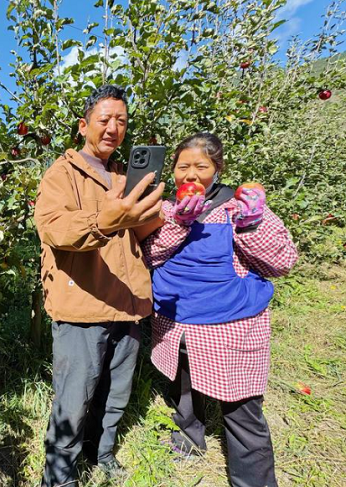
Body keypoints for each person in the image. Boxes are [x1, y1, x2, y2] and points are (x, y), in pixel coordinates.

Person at [142, 132, 298, 487]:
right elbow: (148, 256)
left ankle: (253, 480)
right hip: (176, 324)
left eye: (201, 166)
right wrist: (179, 223)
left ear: (218, 169)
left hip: (229, 327)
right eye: (183, 166)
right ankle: (188, 440)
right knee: (183, 391)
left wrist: (251, 223)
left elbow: (282, 261)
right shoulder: (164, 209)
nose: (190, 175)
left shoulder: (238, 208)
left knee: (241, 408)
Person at [34, 84, 165, 487]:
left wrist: (156, 214)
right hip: (82, 308)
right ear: (83, 125)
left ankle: (101, 455)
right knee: (73, 402)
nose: (113, 128)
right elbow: (54, 228)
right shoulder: (62, 174)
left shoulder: (125, 177)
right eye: (105, 119)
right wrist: (104, 220)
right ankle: (59, 478)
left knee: (114, 396)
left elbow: (139, 237)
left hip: (127, 304)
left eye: (121, 121)